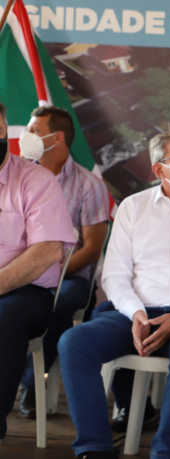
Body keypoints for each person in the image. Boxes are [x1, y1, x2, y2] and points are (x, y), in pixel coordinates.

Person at [58, 129, 170, 459]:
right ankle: (95, 447)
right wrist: (136, 313)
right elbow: (114, 275)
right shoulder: (133, 207)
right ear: (158, 169)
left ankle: (165, 450)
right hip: (137, 313)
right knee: (74, 342)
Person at [16, 106, 110, 419]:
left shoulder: (89, 185)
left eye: (33, 130)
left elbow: (93, 249)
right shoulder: (18, 177)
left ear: (57, 137)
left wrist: (48, 273)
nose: (25, 136)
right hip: (18, 272)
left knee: (57, 302)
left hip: (70, 278)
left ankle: (31, 383)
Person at [0, 100, 75, 448]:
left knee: (4, 318)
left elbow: (47, 252)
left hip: (24, 293)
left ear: (4, 132)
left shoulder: (36, 180)